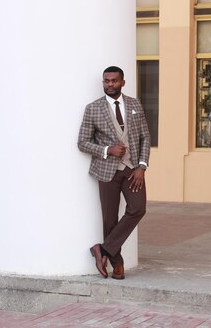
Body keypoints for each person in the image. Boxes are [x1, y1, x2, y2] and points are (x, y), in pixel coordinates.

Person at [77, 66, 151, 280]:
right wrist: (107, 150)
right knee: (109, 219)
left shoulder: (135, 105)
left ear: (122, 82)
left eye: (114, 81)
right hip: (106, 170)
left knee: (138, 208)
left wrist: (141, 166)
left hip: (132, 170)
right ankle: (117, 264)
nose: (109, 84)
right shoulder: (93, 109)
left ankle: (103, 249)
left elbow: (145, 137)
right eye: (106, 81)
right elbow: (82, 142)